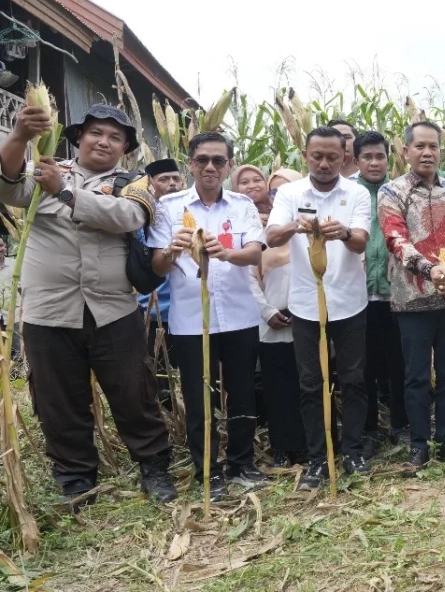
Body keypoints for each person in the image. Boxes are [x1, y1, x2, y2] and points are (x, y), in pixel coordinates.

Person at [0, 103, 176, 504]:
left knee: (134, 392)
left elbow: (128, 217)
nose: (104, 141)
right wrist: (19, 137)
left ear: (125, 148)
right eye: (96, 132)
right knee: (58, 400)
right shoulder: (44, 169)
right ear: (79, 137)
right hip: (49, 311)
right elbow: (7, 185)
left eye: (116, 137)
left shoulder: (134, 184)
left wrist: (63, 191)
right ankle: (76, 479)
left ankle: (154, 467)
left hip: (113, 309)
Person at [149, 132, 268, 498]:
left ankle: (242, 463)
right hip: (190, 320)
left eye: (219, 160)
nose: (211, 167)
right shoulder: (168, 206)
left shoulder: (242, 205)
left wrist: (225, 253)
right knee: (200, 396)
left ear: (229, 165)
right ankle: (207, 472)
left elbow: (254, 252)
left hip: (239, 314)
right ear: (191, 164)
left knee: (243, 392)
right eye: (203, 160)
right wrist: (172, 250)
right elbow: (155, 265)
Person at [266, 126, 372, 489]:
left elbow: (360, 243)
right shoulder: (290, 193)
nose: (325, 163)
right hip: (306, 304)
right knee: (311, 383)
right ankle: (317, 458)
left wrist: (342, 232)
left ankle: (354, 450)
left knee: (354, 379)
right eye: (317, 156)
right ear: (305, 155)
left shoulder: (356, 193)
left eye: (332, 156)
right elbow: (270, 236)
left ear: (345, 157)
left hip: (349, 301)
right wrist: (297, 225)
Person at [379, 121, 445, 469]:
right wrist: (428, 269)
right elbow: (395, 239)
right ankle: (419, 444)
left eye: (433, 146)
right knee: (417, 375)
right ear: (406, 152)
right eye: (419, 146)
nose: (427, 152)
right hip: (412, 299)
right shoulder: (392, 192)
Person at [352, 131, 408, 453]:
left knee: (400, 362)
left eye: (380, 156)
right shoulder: (347, 193)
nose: (374, 162)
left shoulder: (400, 192)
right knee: (365, 367)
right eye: (367, 157)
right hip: (359, 296)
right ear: (356, 160)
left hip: (396, 293)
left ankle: (401, 424)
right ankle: (370, 429)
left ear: (389, 159)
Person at [252, 169, 307, 468]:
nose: (279, 198)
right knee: (277, 389)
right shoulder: (260, 235)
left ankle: (311, 445)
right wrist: (268, 311)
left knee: (307, 387)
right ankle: (282, 447)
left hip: (306, 322)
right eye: (274, 193)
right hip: (272, 322)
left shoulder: (310, 233)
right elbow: (250, 278)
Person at [139, 158, 185, 378]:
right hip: (155, 312)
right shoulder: (142, 217)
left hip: (190, 310)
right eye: (164, 179)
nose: (172, 184)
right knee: (158, 377)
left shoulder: (191, 214)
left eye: (176, 178)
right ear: (151, 185)